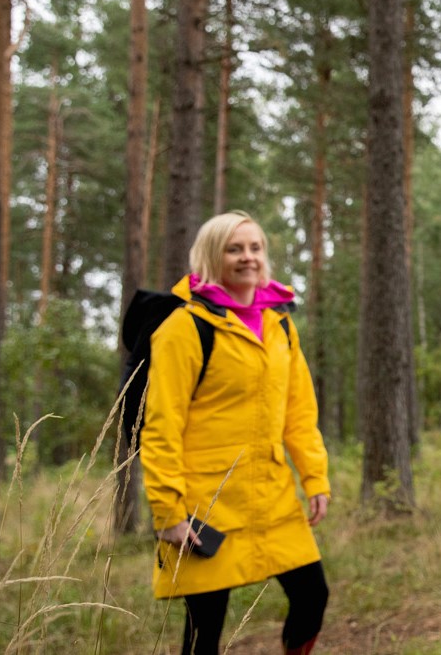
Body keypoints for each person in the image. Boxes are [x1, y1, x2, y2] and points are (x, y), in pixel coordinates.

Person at [141, 211, 331, 655]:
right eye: (235, 248)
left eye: (255, 247)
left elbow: (298, 411)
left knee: (312, 596)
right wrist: (168, 510)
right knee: (205, 629)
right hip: (206, 503)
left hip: (272, 496)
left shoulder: (281, 324)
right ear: (212, 255)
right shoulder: (183, 328)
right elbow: (162, 422)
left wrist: (314, 477)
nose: (248, 257)